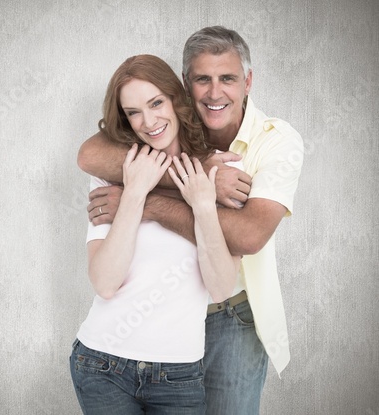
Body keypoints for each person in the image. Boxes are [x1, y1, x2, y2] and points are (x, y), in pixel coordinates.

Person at [77, 26, 304, 415]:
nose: (215, 93)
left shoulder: (267, 146)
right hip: (109, 357)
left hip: (228, 312)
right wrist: (179, 178)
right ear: (185, 86)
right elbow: (89, 154)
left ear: (248, 81)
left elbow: (248, 237)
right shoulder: (140, 157)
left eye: (228, 79)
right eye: (203, 79)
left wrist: (152, 201)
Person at [70, 54, 240, 415]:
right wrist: (134, 192)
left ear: (176, 100)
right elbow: (104, 283)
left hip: (179, 374)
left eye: (156, 103)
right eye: (133, 112)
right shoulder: (115, 174)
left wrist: (204, 206)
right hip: (102, 364)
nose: (148, 121)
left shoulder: (220, 172)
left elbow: (222, 288)